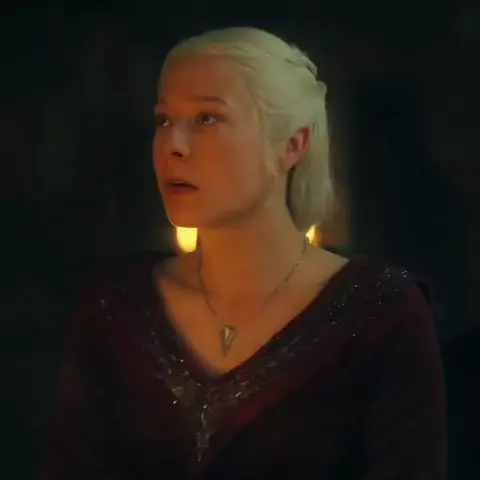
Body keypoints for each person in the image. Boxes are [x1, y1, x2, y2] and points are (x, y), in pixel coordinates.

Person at [39, 27, 447, 479]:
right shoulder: (116, 306)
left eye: (207, 118)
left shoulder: (382, 312)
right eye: (164, 120)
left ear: (292, 145)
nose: (173, 145)